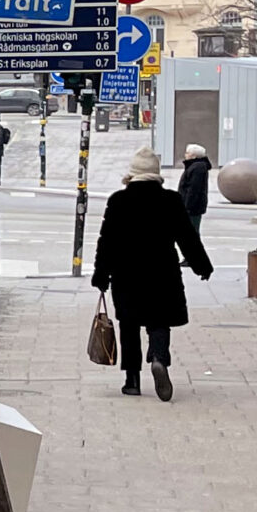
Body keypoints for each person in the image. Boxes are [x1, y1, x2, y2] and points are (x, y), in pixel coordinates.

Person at [92, 148, 213, 400]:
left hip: (127, 274)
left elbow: (107, 242)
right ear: (156, 174)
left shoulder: (118, 201)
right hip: (162, 272)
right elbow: (187, 238)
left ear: (132, 174)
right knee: (159, 320)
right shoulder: (170, 200)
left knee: (129, 324)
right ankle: (159, 359)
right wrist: (202, 266)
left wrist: (101, 275)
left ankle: (132, 380)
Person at [177, 142, 213, 235]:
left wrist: (187, 207)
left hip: (192, 208)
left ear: (194, 156)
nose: (185, 155)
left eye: (187, 153)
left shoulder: (198, 168)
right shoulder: (194, 166)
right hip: (191, 207)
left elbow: (193, 190)